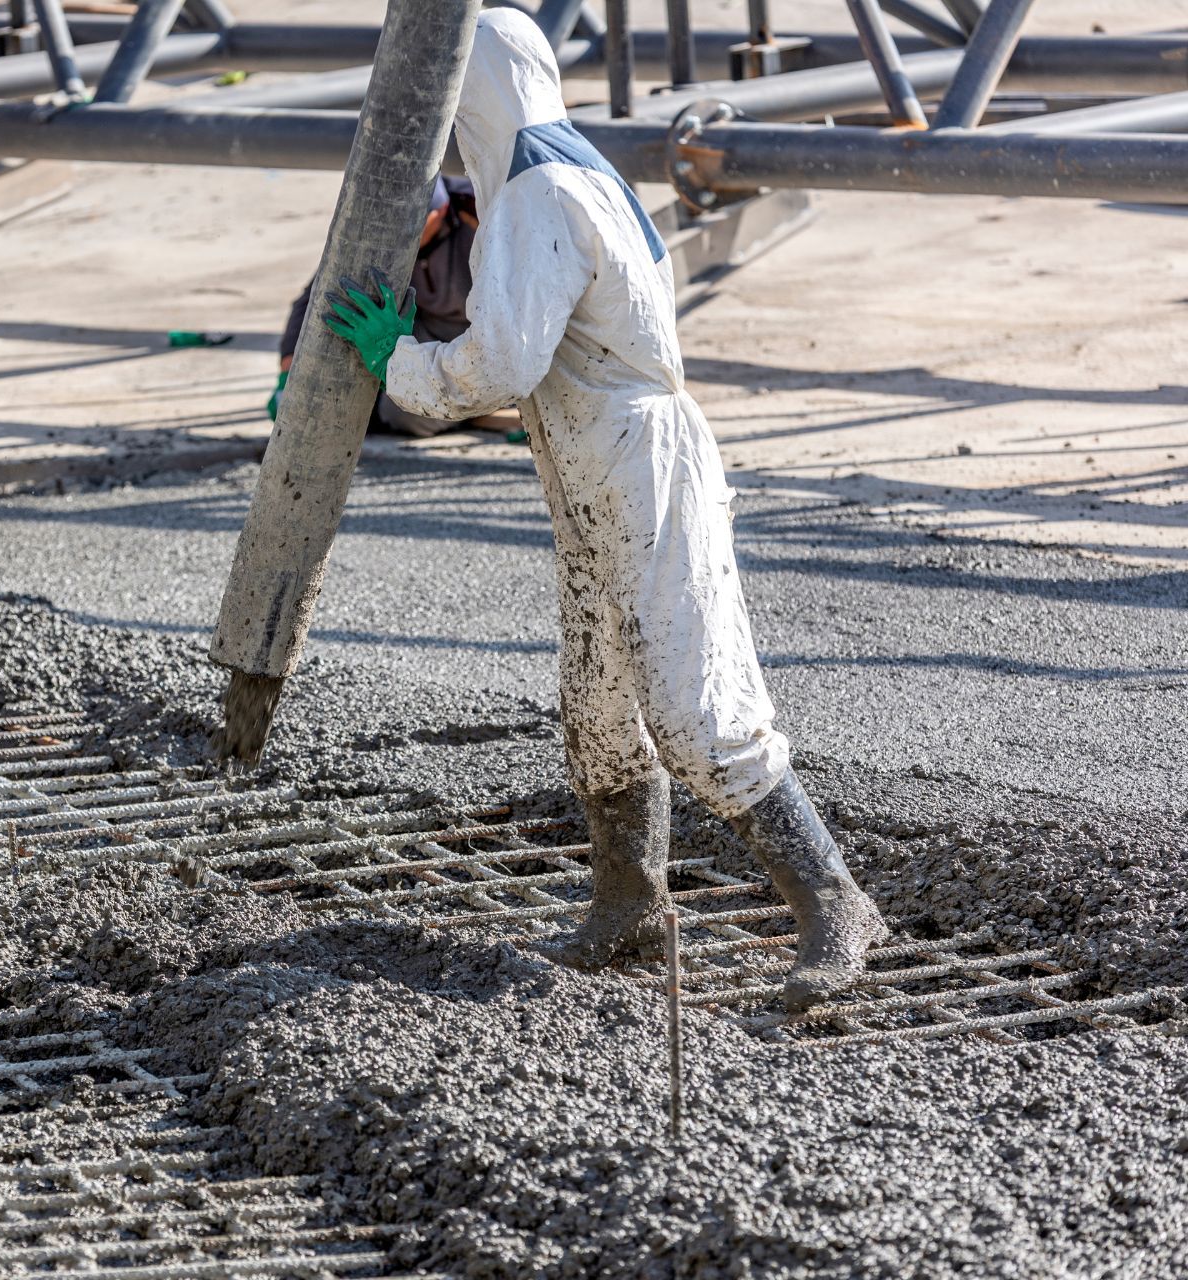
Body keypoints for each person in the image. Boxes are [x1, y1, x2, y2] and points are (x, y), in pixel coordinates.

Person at [324, 10, 886, 1012]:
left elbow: (499, 362)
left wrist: (396, 361)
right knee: (599, 702)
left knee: (693, 707)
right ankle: (627, 902)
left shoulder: (539, 193)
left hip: (639, 464)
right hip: (596, 463)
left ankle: (834, 902)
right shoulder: (559, 169)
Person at [271, 178, 481, 438]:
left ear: (441, 210)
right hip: (414, 324)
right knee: (343, 348)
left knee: (410, 413)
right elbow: (319, 294)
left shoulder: (478, 218)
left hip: (474, 335)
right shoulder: (383, 236)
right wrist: (288, 370)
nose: (404, 237)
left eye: (417, 224)